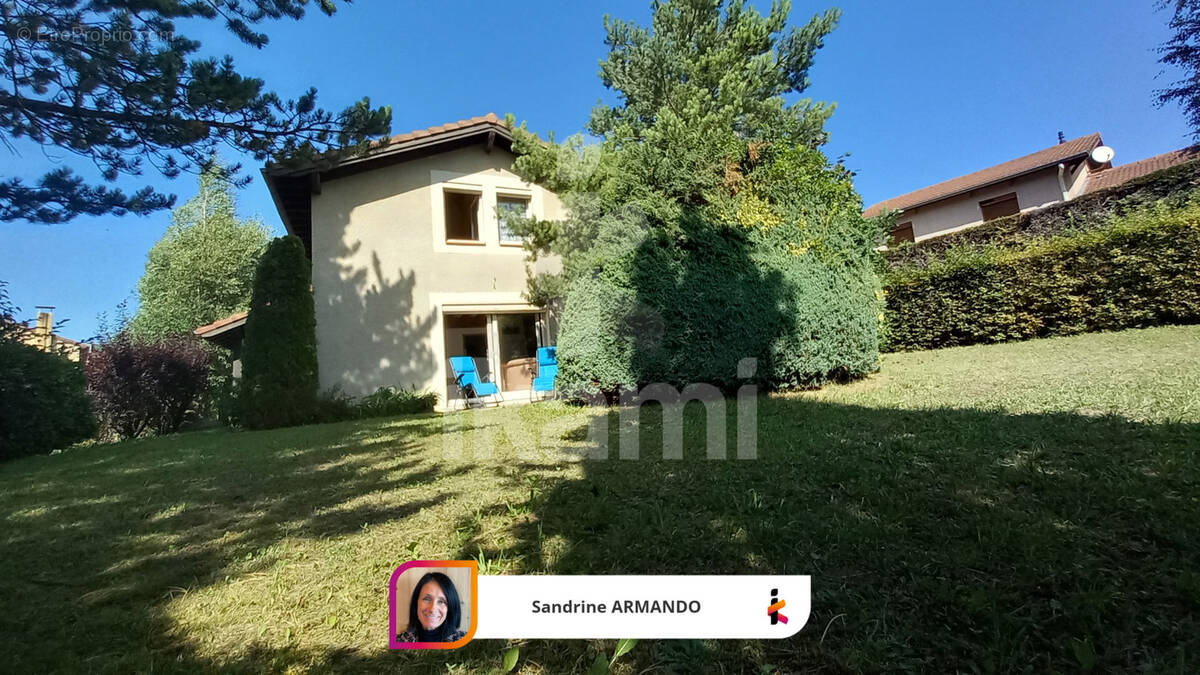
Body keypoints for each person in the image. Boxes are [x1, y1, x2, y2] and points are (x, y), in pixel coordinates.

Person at [396, 572, 467, 642]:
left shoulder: (465, 640)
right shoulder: (399, 641)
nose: (432, 609)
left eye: (441, 601)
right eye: (427, 599)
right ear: (416, 602)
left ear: (450, 608)